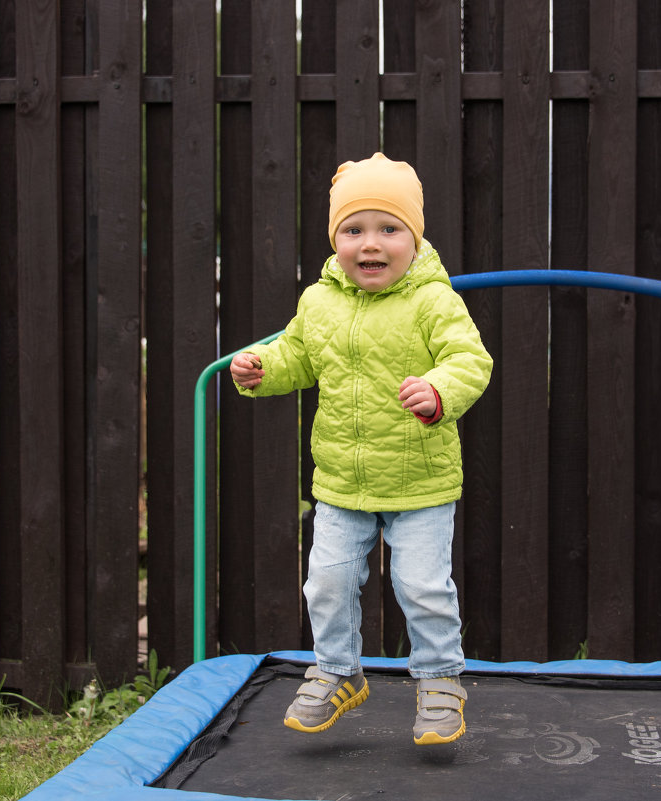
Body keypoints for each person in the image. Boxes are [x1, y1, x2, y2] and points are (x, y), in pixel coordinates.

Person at [230, 152, 493, 746]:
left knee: (422, 586)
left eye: (388, 229)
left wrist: (437, 391)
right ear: (336, 240)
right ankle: (339, 671)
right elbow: (297, 355)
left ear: (414, 238)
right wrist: (260, 368)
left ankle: (439, 680)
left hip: (419, 479)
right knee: (325, 581)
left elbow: (469, 360)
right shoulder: (319, 302)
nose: (369, 244)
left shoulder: (433, 300)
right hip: (343, 482)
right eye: (353, 230)